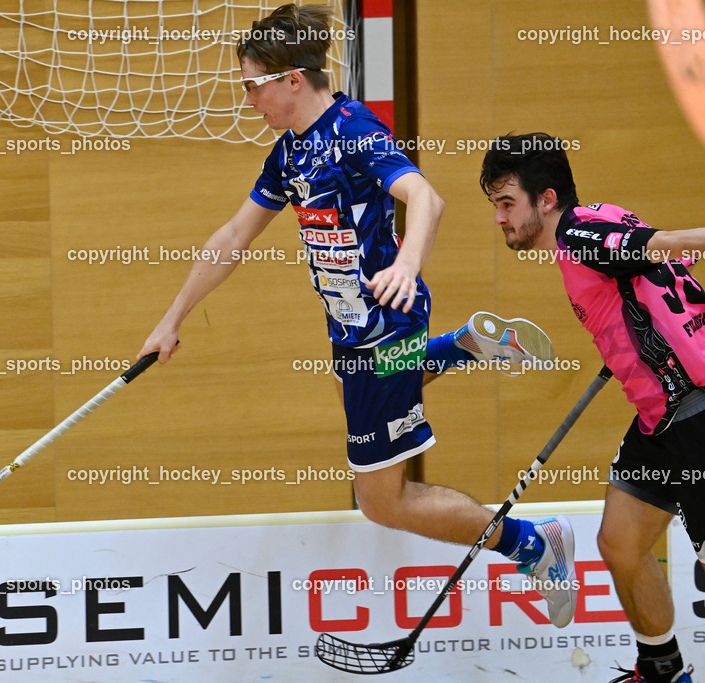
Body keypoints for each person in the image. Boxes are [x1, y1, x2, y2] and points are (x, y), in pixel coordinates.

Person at [137, 6, 576, 628]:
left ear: (292, 80)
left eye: (252, 85)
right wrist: (171, 318)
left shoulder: (353, 130)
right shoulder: (289, 154)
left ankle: (532, 543)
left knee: (381, 501)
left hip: (384, 324)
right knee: (377, 389)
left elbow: (426, 196)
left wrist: (405, 263)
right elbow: (235, 235)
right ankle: (467, 346)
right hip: (352, 331)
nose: (247, 100)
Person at [479, 132, 705, 682]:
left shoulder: (578, 236)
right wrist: (621, 341)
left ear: (546, 199)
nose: (499, 218)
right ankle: (664, 671)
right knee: (620, 543)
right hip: (661, 418)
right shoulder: (600, 218)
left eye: (507, 204)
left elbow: (661, 246)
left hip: (704, 419)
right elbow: (650, 274)